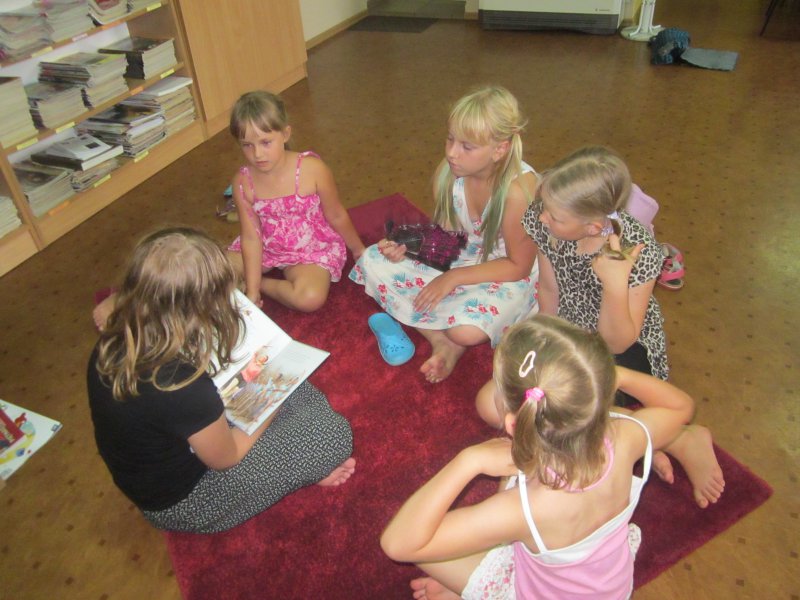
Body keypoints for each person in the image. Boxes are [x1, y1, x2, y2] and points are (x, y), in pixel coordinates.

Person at [381, 315, 696, 599]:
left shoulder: (521, 509)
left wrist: (469, 461)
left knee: (422, 539)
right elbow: (681, 408)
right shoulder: (624, 437)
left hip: (539, 585)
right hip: (607, 586)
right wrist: (617, 375)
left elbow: (399, 544)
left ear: (512, 424)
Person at [86, 227, 355, 534]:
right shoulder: (181, 386)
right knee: (332, 436)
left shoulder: (117, 338)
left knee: (288, 376)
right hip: (188, 499)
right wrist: (272, 400)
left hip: (169, 451)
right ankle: (304, 462)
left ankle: (291, 440)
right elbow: (227, 458)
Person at [507, 145, 723, 508]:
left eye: (554, 216)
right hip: (569, 330)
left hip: (621, 348)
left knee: (570, 418)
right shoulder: (546, 220)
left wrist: (614, 283)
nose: (542, 218)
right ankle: (657, 436)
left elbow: (618, 342)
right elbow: (549, 287)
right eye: (543, 207)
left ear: (593, 226)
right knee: (508, 400)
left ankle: (680, 437)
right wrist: (547, 338)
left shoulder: (638, 250)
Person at [350, 85, 539, 383]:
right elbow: (448, 240)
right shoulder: (452, 172)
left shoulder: (517, 192)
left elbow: (520, 267)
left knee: (466, 332)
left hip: (508, 274)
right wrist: (410, 246)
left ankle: (453, 337)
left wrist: (452, 278)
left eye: (466, 146)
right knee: (372, 259)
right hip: (466, 256)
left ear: (500, 149)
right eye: (450, 139)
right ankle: (442, 342)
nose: (451, 152)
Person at [227, 90, 366, 312]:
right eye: (247, 145)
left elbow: (336, 214)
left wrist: (358, 249)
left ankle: (263, 283)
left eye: (265, 142)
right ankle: (250, 283)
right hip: (266, 245)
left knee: (309, 297)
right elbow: (251, 237)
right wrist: (251, 293)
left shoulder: (313, 169)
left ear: (285, 134)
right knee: (213, 272)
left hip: (309, 249)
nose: (257, 154)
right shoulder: (243, 181)